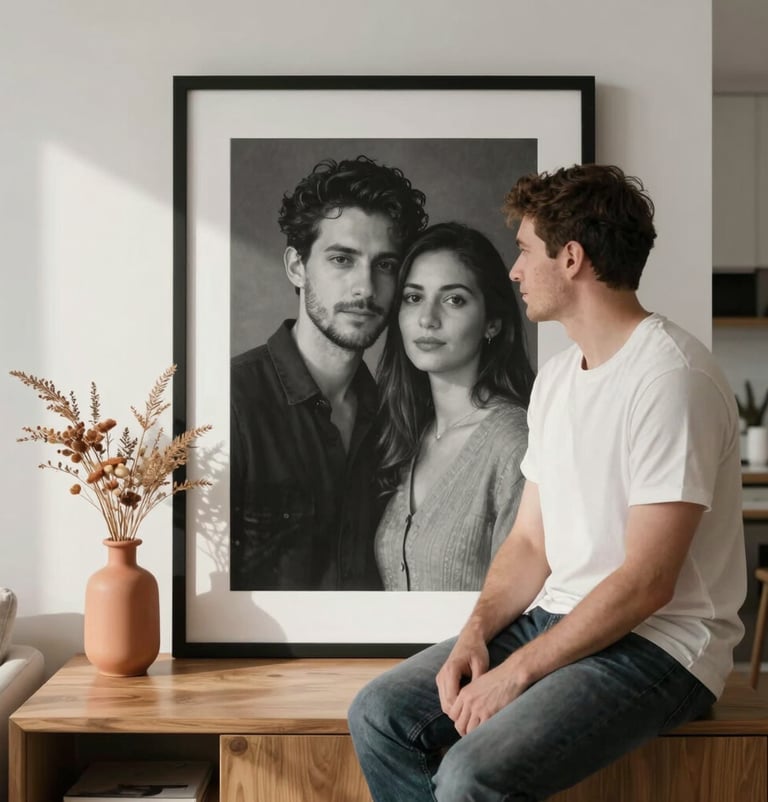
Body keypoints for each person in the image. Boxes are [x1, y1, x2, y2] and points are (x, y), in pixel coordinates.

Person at [348, 164, 747, 801]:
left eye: (525, 250)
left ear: (570, 258)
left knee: (470, 774)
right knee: (380, 714)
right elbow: (530, 544)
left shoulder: (671, 380)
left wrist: (516, 675)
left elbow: (648, 581)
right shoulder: (559, 378)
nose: (513, 270)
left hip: (661, 648)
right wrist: (475, 634)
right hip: (557, 617)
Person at [230, 155, 428, 591]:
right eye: (342, 259)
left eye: (385, 265)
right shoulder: (231, 402)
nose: (365, 287)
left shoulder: (400, 417)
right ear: (296, 267)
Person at [374, 222, 534, 591]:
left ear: (491, 322)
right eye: (413, 298)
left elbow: (523, 603)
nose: (427, 318)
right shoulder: (406, 433)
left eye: (454, 299)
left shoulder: (514, 443)